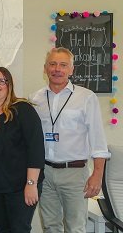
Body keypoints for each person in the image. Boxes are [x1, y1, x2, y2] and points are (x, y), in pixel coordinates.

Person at [30, 47, 111, 232]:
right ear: (45, 68)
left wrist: (97, 176)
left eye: (63, 65)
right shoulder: (35, 99)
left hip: (75, 173)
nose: (57, 69)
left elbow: (98, 141)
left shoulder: (86, 97)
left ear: (71, 70)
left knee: (76, 227)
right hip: (45, 173)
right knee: (51, 226)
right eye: (53, 64)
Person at [0, 67, 45, 233]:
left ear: (9, 85)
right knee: (1, 229)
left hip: (20, 187)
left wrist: (31, 184)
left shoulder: (23, 109)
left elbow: (36, 148)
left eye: (1, 80)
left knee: (19, 229)